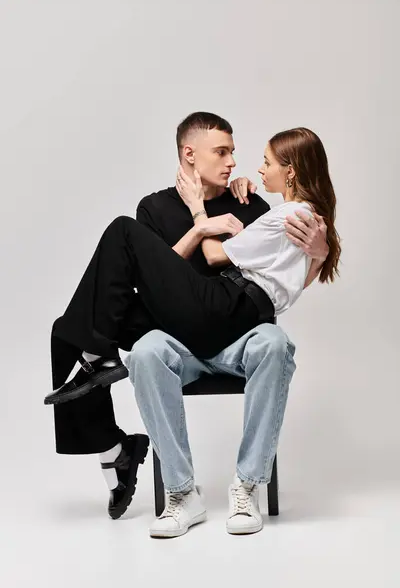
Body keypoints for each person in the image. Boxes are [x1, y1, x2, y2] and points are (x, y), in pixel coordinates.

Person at [45, 113, 332, 528]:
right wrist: (199, 229)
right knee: (67, 329)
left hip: (236, 327)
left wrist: (320, 255)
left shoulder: (251, 202)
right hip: (176, 330)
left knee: (271, 341)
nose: (235, 161)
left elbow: (281, 277)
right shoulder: (155, 207)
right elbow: (147, 279)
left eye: (234, 151)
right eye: (222, 151)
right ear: (189, 154)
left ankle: (248, 484)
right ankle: (116, 452)